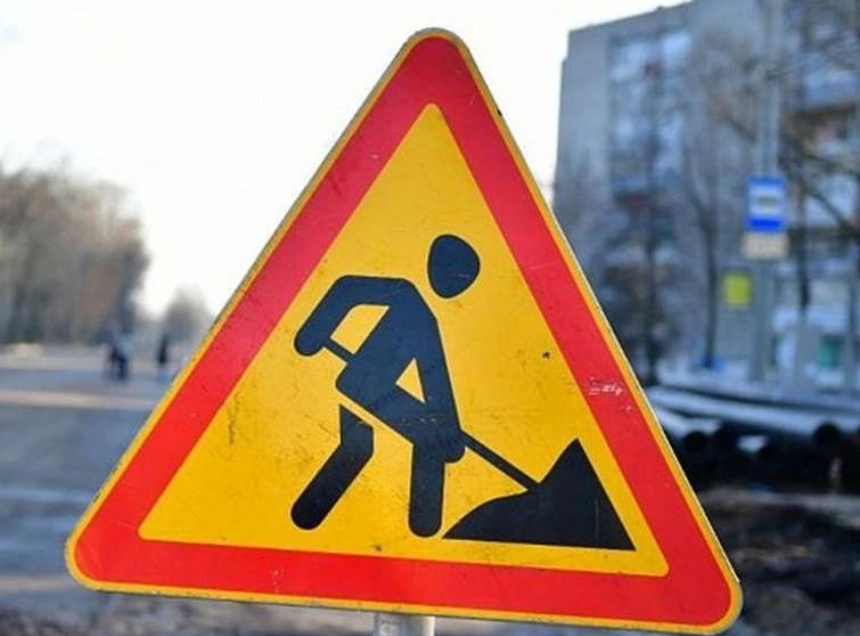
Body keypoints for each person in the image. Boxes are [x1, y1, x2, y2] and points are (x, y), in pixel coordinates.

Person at [290, 234, 480, 537]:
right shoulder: (408, 297)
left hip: (373, 389)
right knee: (420, 439)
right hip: (365, 384)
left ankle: (307, 517)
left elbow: (433, 377)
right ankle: (423, 523)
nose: (456, 287)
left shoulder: (424, 316)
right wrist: (311, 335)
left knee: (366, 445)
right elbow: (347, 289)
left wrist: (449, 427)